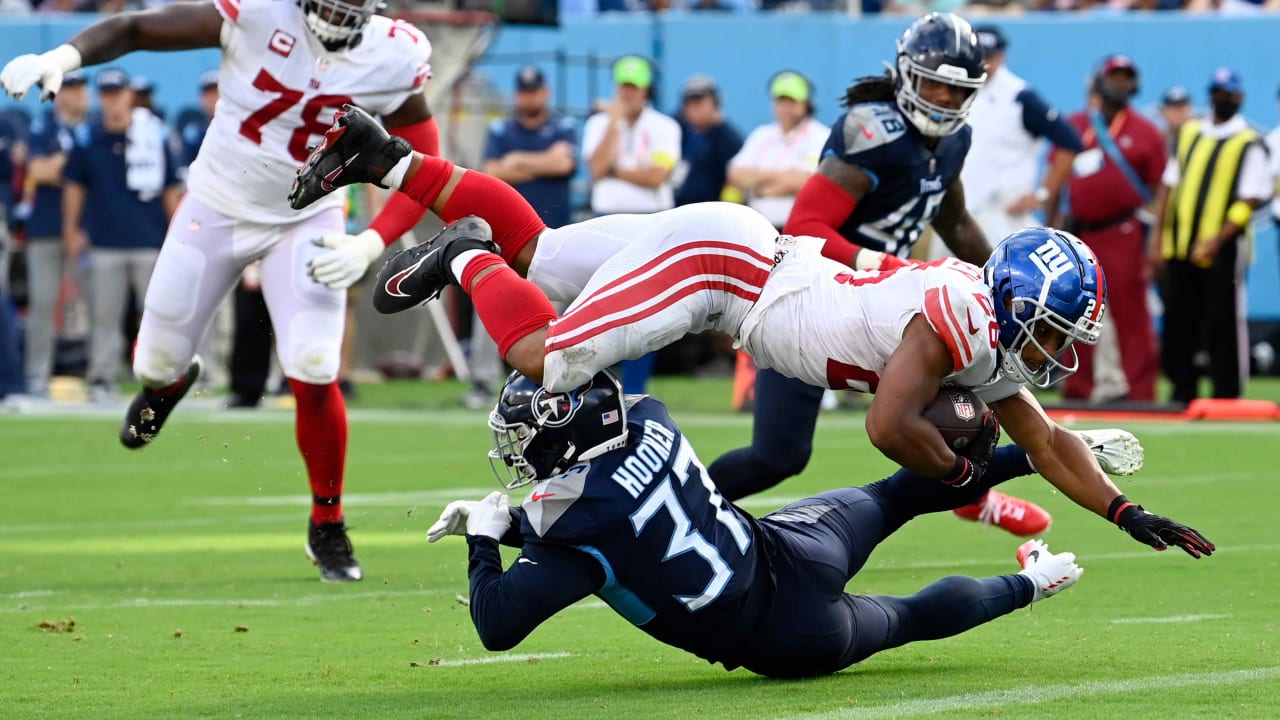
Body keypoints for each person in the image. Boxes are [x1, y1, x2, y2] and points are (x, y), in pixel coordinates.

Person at [289, 112, 1215, 555]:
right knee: (547, 359)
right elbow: (891, 430)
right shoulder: (956, 318)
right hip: (721, 272)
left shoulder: (988, 327)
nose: (1060, 351)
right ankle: (460, 257)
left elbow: (1046, 440)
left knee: (537, 255)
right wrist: (963, 477)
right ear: (1015, 306)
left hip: (746, 258)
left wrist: (1127, 515)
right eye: (1054, 329)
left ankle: (389, 157)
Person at [0, 0, 444, 582]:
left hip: (307, 219)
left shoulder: (395, 52)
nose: (339, 12)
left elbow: (425, 159)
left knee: (313, 365)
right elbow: (136, 26)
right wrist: (65, 54)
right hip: (215, 204)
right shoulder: (258, 13)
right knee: (153, 362)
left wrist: (370, 242)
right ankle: (173, 381)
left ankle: (327, 522)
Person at [425, 369, 1210, 676]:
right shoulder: (653, 418)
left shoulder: (573, 528)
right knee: (897, 492)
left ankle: (1029, 583)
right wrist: (518, 526)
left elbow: (498, 624)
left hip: (780, 634)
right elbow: (625, 515)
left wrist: (490, 541)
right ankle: (1051, 452)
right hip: (789, 540)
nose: (519, 451)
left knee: (901, 621)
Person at [709, 14, 1048, 535]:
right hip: (814, 301)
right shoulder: (873, 133)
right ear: (907, 75)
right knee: (779, 456)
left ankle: (970, 492)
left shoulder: (955, 140)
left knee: (970, 406)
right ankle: (689, 503)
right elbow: (805, 227)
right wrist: (887, 266)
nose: (943, 100)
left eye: (956, 91)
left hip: (892, 308)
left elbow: (953, 218)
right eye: (934, 83)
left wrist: (1004, 279)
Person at [1150, 68, 1270, 406]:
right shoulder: (1189, 133)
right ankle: (1181, 390)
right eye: (1218, 92)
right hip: (1180, 245)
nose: (1223, 99)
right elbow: (1169, 186)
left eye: (1229, 94)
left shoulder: (1248, 142)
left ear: (1240, 98)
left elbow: (1250, 198)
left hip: (1222, 249)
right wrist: (1158, 237)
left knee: (1221, 322)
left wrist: (1216, 240)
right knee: (1178, 321)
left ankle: (1225, 394)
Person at [62, 67, 182, 401]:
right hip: (105, 241)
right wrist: (72, 229)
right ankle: (101, 377)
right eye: (106, 94)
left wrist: (178, 235)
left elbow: (169, 188)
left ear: (129, 95)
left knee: (159, 314)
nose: (112, 101)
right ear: (100, 98)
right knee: (104, 315)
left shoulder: (153, 134)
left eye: (117, 93)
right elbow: (75, 187)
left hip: (148, 238)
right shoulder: (88, 137)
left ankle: (167, 376)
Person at [1053, 55, 1165, 404]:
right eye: (1114, 76)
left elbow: (1161, 188)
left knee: (1132, 314)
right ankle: (1077, 388)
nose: (1120, 83)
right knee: (1076, 311)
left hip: (1124, 231)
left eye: (1126, 77)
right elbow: (1056, 178)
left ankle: (1141, 392)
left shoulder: (1146, 131)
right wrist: (1051, 225)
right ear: (1099, 81)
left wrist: (1157, 239)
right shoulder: (1075, 125)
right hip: (1079, 234)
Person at [473, 65, 578, 408]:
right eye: (524, 91)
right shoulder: (502, 129)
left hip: (554, 237)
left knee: (556, 312)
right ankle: (483, 381)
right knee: (491, 302)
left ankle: (552, 382)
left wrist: (519, 161)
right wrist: (540, 161)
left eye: (534, 91)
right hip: (507, 236)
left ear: (544, 93)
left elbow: (563, 164)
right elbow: (493, 172)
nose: (529, 97)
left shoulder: (562, 126)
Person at [582, 54, 681, 394]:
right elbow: (596, 168)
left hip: (649, 222)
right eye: (622, 87)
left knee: (644, 307)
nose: (627, 94)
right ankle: (601, 388)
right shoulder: (599, 124)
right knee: (601, 305)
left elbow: (657, 177)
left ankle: (636, 389)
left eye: (633, 87)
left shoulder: (665, 127)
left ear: (645, 90)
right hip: (606, 221)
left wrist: (616, 170)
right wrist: (613, 123)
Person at [953, 24, 1081, 255]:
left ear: (1002, 56)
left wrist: (1042, 194)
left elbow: (1070, 142)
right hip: (959, 212)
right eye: (978, 55)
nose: (984, 63)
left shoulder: (1018, 96)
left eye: (989, 56)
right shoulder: (956, 91)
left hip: (1001, 213)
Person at [21, 69, 88, 400]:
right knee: (43, 305)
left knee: (97, 306)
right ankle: (36, 374)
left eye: (81, 88)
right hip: (46, 228)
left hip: (87, 231)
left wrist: (61, 169)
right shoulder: (43, 126)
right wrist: (74, 169)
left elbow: (95, 177)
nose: (79, 95)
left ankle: (100, 376)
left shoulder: (92, 128)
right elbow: (36, 170)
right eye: (72, 88)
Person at [726, 71, 826, 231]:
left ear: (806, 104)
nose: (785, 108)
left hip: (798, 230)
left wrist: (759, 188)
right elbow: (736, 174)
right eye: (781, 101)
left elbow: (807, 181)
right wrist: (782, 177)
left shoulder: (820, 136)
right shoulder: (762, 134)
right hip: (758, 228)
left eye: (791, 102)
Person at [673, 75, 743, 208]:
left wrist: (727, 209)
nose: (693, 108)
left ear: (715, 104)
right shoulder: (679, 129)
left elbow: (735, 180)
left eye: (699, 103)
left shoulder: (727, 138)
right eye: (689, 103)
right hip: (676, 209)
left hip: (708, 212)